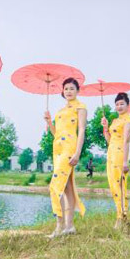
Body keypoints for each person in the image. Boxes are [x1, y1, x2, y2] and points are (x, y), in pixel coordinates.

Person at [44, 78, 87, 237]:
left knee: (55, 186)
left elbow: (81, 130)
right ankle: (70, 226)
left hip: (70, 148)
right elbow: (56, 134)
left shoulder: (80, 107)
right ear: (62, 91)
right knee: (68, 187)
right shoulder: (60, 111)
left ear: (77, 91)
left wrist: (77, 153)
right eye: (66, 88)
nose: (68, 91)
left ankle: (59, 226)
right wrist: (49, 122)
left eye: (71, 88)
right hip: (57, 149)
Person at [101, 92, 130, 228]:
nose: (119, 106)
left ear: (127, 105)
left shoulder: (128, 121)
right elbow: (110, 140)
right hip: (111, 154)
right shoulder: (115, 121)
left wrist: (125, 162)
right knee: (113, 185)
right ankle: (123, 217)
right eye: (117, 104)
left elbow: (126, 141)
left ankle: (121, 217)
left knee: (120, 185)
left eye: (122, 104)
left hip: (120, 155)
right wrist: (105, 127)